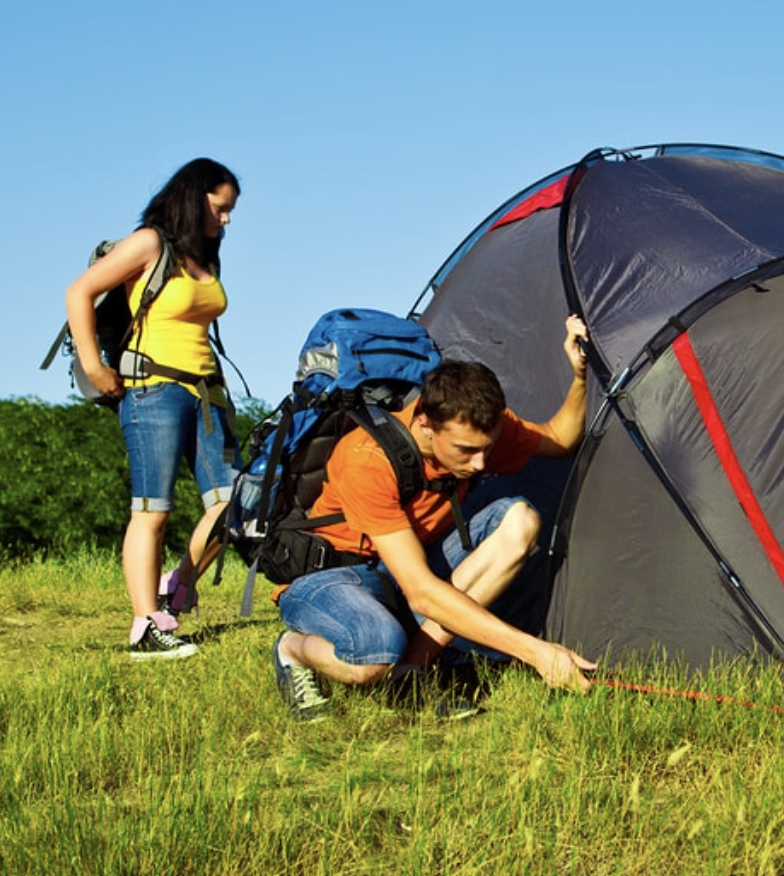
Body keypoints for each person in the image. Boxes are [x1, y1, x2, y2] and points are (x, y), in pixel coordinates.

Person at [270, 318, 598, 720]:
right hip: (333, 576)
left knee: (520, 520)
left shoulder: (477, 431)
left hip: (410, 565)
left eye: (487, 448)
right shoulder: (366, 461)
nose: (480, 463)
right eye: (465, 450)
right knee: (373, 655)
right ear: (425, 424)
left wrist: (580, 376)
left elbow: (560, 438)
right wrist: (537, 653)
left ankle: (410, 673)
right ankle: (292, 649)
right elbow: (422, 592)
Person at [64, 158, 242, 659]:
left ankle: (177, 586)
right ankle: (146, 627)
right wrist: (95, 367)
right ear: (195, 195)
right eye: (220, 207)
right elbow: (79, 290)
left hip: (206, 392)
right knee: (152, 512)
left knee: (235, 503)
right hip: (153, 391)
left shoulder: (204, 257)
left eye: (231, 211)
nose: (226, 220)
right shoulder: (148, 243)